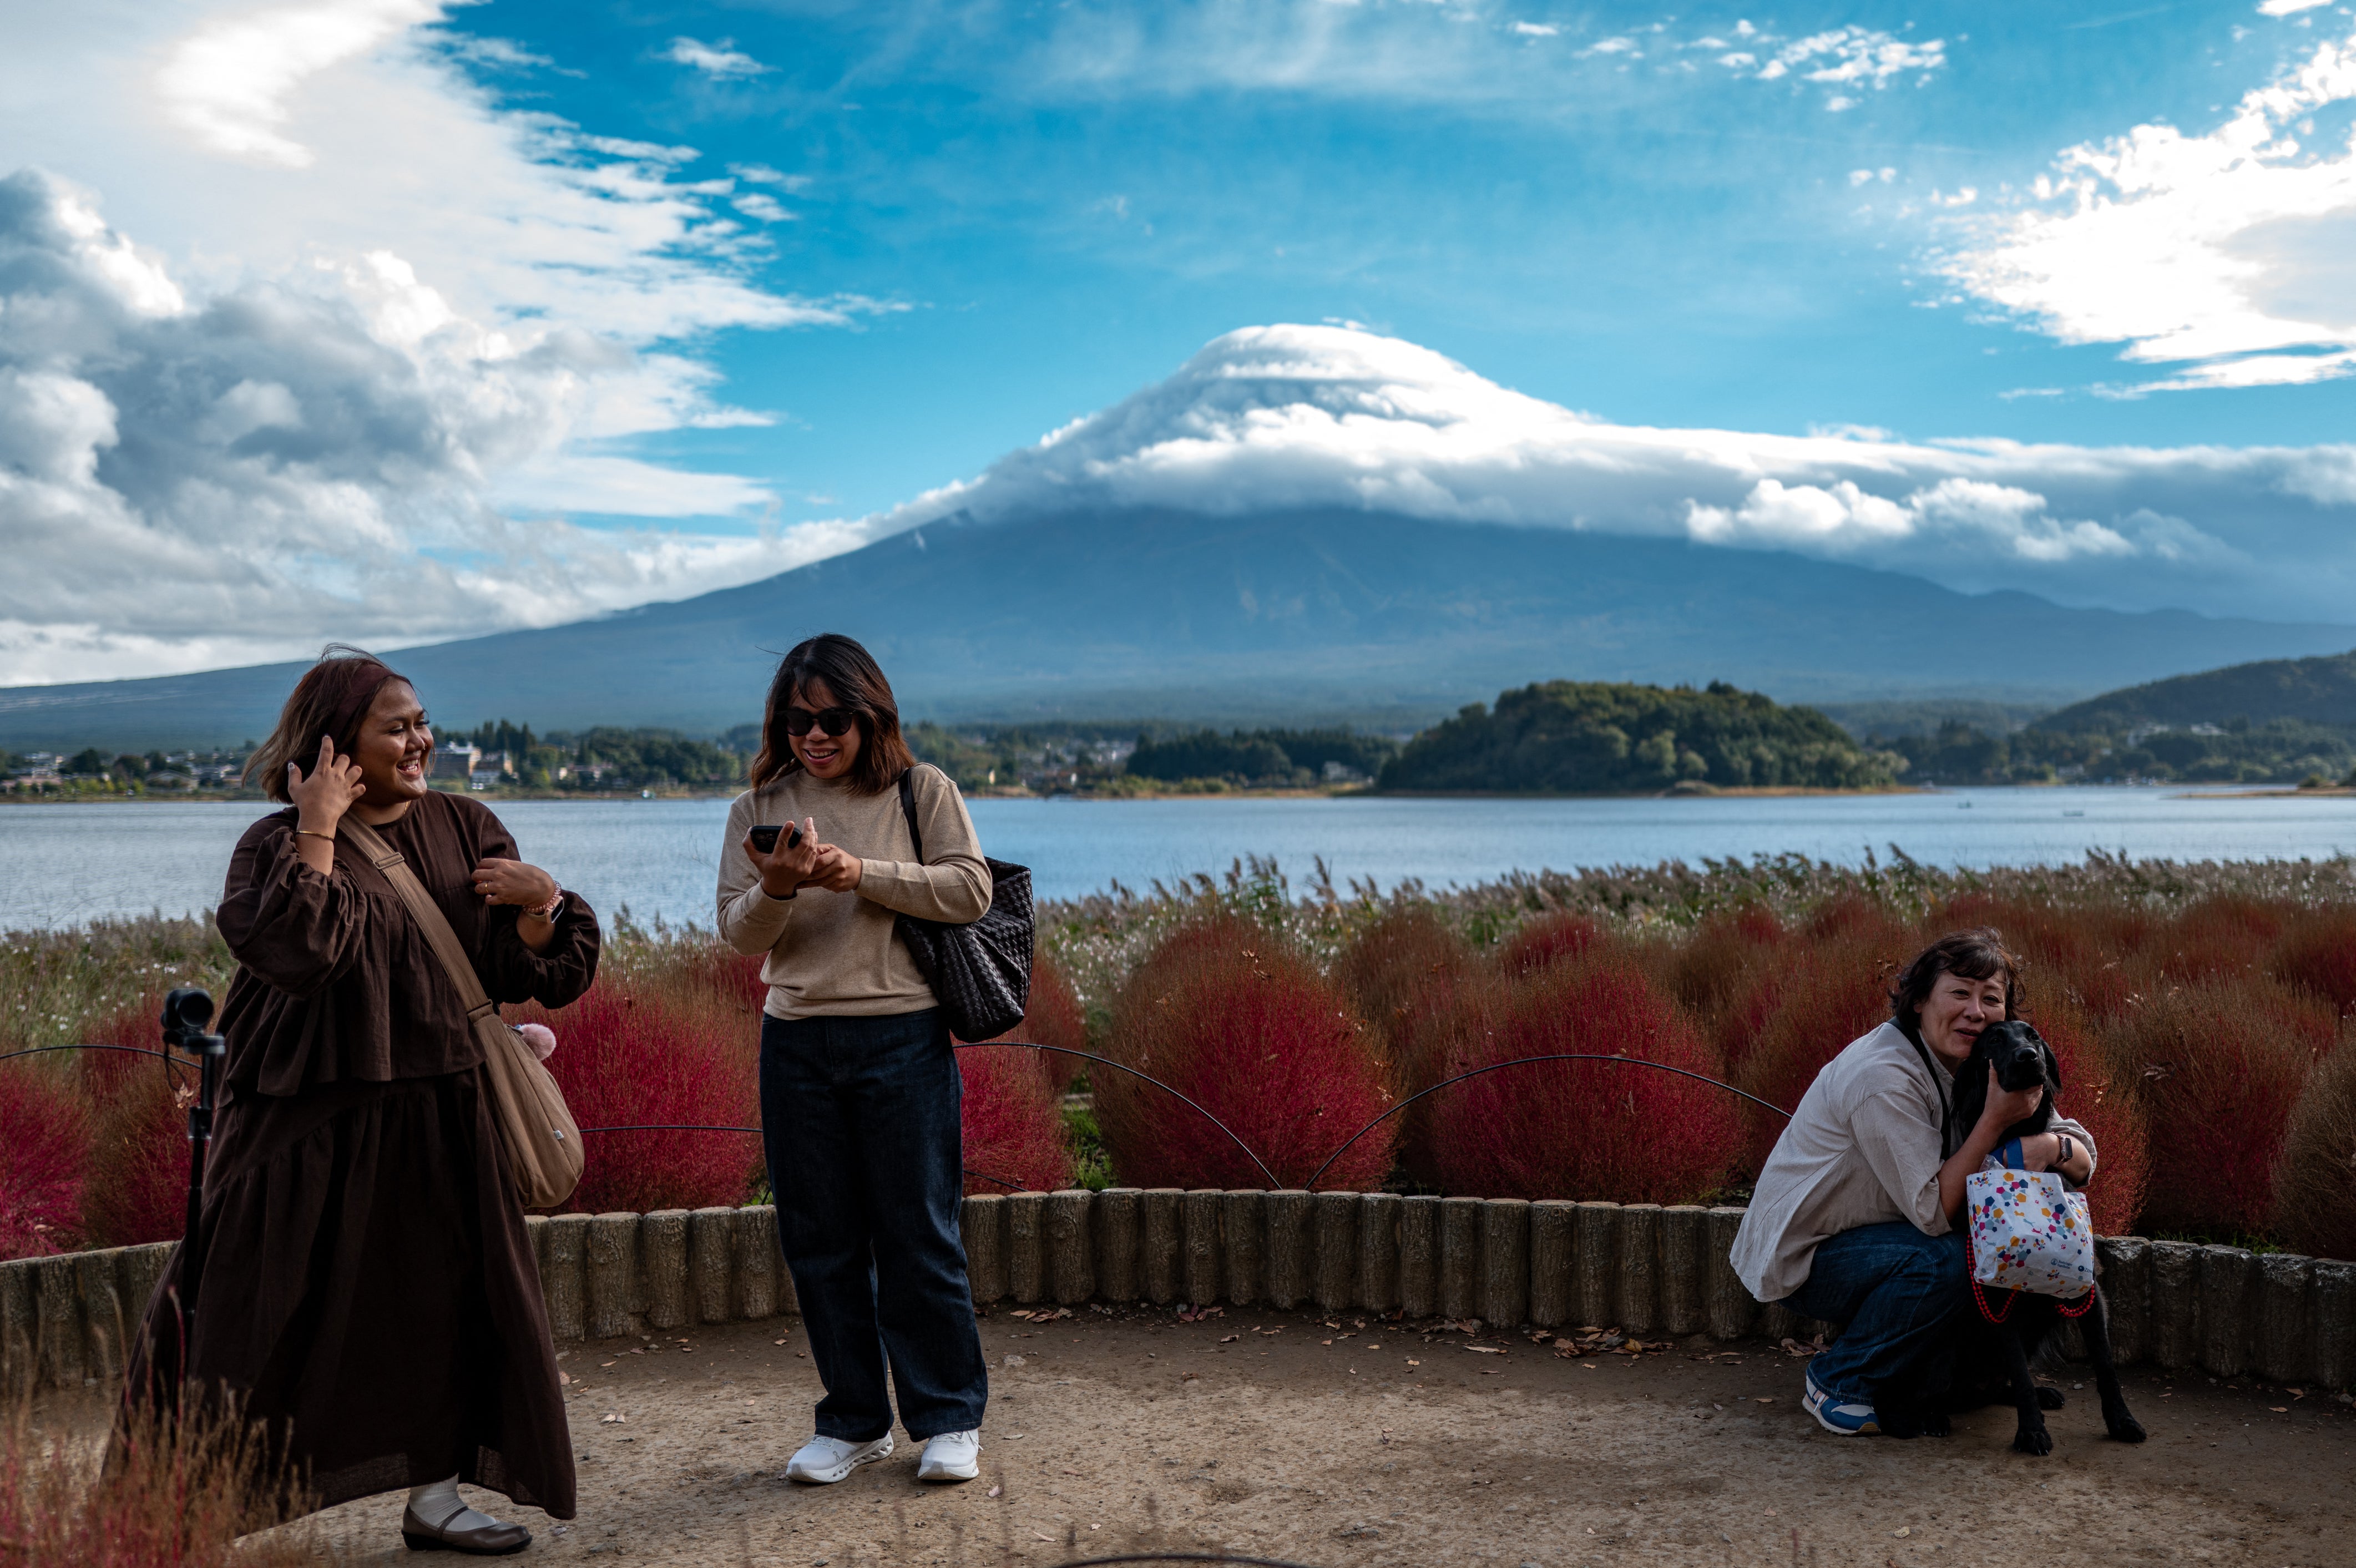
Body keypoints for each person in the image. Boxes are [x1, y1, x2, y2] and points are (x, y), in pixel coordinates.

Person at [124, 648, 599, 1553]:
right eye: (398, 726)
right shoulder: (270, 844)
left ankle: (436, 1499)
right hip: (300, 1112)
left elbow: (525, 971)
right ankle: (172, 1503)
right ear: (340, 745)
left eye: (423, 721)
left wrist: (544, 904)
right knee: (239, 1306)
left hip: (440, 1110)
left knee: (444, 1307)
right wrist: (319, 826)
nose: (421, 739)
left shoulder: (466, 827)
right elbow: (302, 952)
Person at [715, 633, 993, 1486]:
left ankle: (947, 1416)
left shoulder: (921, 791)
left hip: (902, 1034)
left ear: (871, 715)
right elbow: (735, 930)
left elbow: (969, 888)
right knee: (818, 1239)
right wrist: (780, 887)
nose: (816, 735)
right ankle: (852, 1420)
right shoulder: (755, 806)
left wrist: (859, 871)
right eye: (798, 720)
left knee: (918, 1231)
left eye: (834, 717)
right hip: (794, 1039)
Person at [1728, 928, 2097, 1437]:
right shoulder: (1883, 1076)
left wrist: (2045, 1148)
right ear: (1919, 1000)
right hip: (1809, 1253)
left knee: (2009, 1246)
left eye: (1992, 999)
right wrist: (1993, 1124)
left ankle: (1969, 1380)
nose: (1976, 1011)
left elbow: (2079, 1150)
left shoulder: (1978, 1063)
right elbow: (1932, 1212)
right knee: (1949, 1259)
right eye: (1959, 993)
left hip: (1878, 1236)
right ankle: (1840, 1379)